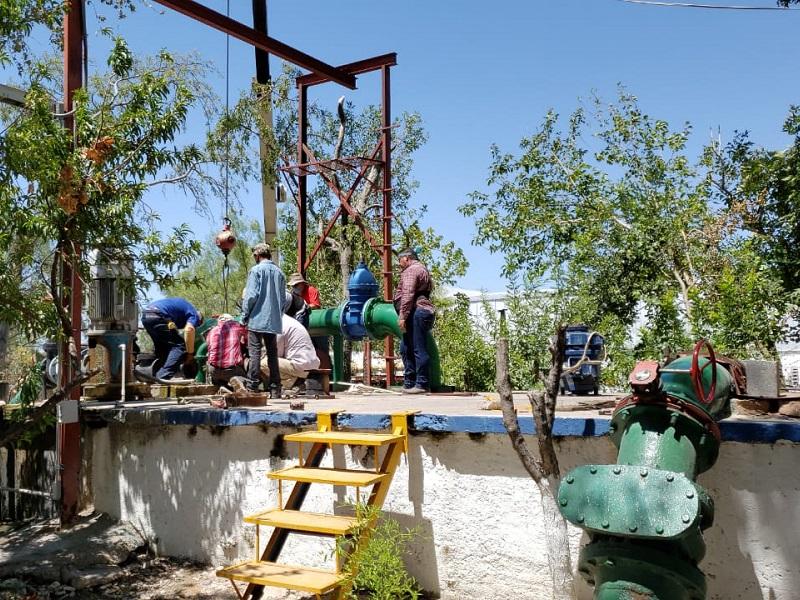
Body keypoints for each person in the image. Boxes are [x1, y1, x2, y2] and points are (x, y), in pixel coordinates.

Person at [241, 243, 285, 397]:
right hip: (273, 320)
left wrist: (244, 316)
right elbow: (283, 299)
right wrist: (277, 315)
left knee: (255, 353)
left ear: (257, 256)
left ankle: (252, 386)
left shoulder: (256, 271)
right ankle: (275, 389)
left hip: (257, 318)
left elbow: (251, 296)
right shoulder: (279, 273)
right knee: (273, 355)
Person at [394, 248, 435, 394]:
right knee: (405, 348)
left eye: (400, 260)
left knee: (418, 348)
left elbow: (408, 294)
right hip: (416, 312)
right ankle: (410, 382)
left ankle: (422, 384)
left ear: (406, 258)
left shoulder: (411, 270)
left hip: (416, 312)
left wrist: (402, 316)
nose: (399, 264)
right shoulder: (421, 269)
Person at [141, 297, 203, 380]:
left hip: (146, 315)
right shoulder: (194, 314)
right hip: (159, 315)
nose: (196, 326)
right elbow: (189, 330)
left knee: (162, 347)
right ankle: (162, 376)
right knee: (179, 346)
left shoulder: (182, 309)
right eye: (197, 325)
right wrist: (190, 354)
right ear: (199, 320)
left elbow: (174, 330)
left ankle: (154, 373)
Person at [262, 308, 321, 390]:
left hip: (300, 366)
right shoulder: (288, 321)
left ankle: (291, 382)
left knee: (264, 363)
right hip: (311, 363)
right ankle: (295, 380)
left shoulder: (279, 325)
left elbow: (275, 354)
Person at [205, 315, 247, 387]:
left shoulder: (211, 332)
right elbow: (247, 336)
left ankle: (221, 386)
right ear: (231, 321)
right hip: (231, 370)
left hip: (214, 369)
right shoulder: (235, 326)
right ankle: (239, 381)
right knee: (246, 381)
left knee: (220, 380)